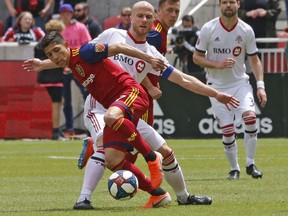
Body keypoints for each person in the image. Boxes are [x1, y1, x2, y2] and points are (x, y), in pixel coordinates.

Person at [72, 1, 239, 210]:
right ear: (130, 18)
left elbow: (183, 79)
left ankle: (184, 197)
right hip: (99, 107)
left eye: (148, 17)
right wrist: (52, 63)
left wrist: (216, 93)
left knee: (167, 152)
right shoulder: (112, 35)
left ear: (153, 21)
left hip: (127, 111)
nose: (144, 20)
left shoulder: (152, 54)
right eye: (139, 16)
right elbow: (82, 53)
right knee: (106, 148)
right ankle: (83, 199)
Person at [23, 31, 172, 208]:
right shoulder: (69, 62)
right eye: (49, 54)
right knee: (112, 160)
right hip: (117, 108)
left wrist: (148, 58)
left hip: (131, 92)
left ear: (66, 44)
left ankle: (151, 157)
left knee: (110, 117)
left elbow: (118, 47)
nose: (55, 57)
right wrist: (42, 64)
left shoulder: (86, 52)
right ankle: (157, 194)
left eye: (57, 50)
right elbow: (59, 60)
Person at [193, 0, 267, 180]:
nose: (228, 5)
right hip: (216, 87)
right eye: (224, 2)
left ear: (238, 5)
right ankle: (234, 168)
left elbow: (254, 60)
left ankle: (250, 163)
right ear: (220, 5)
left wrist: (261, 86)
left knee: (250, 118)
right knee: (227, 129)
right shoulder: (208, 28)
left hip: (240, 84)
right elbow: (197, 57)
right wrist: (217, 65)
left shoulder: (246, 30)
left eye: (231, 2)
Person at [142, 0, 180, 126]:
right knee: (144, 136)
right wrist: (149, 86)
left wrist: (154, 79)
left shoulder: (161, 31)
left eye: (177, 11)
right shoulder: (155, 33)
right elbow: (135, 63)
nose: (174, 15)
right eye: (169, 10)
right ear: (158, 11)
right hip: (139, 91)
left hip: (143, 89)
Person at [59, 3, 91, 137]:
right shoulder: (58, 29)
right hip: (63, 67)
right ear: (60, 15)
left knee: (87, 95)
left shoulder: (80, 27)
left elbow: (87, 46)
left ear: (72, 14)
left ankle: (90, 126)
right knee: (66, 99)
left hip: (78, 67)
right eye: (63, 14)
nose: (66, 16)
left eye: (68, 13)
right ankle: (70, 128)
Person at [34, 19, 65, 140]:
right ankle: (56, 131)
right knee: (56, 103)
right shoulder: (54, 45)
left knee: (57, 102)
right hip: (55, 77)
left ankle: (57, 129)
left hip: (43, 77)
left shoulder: (40, 44)